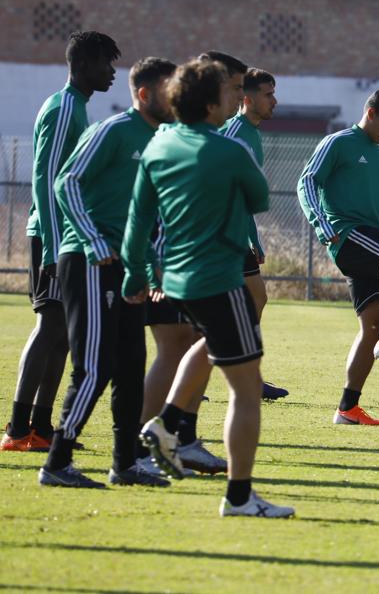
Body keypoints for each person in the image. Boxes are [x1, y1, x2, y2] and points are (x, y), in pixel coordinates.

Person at [127, 58, 293, 517]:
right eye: (228, 91)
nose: (234, 98)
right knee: (244, 387)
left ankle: (170, 423)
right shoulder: (229, 151)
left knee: (204, 348)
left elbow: (139, 218)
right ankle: (239, 497)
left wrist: (134, 274)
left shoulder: (159, 143)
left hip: (175, 280)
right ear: (209, 100)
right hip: (219, 279)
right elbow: (258, 198)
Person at [36, 57, 172, 489]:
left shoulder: (160, 141)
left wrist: (154, 264)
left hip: (127, 268)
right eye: (171, 91)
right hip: (91, 261)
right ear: (145, 94)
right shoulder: (113, 130)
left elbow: (148, 214)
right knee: (94, 367)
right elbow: (66, 182)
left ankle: (124, 464)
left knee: (133, 366)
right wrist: (92, 238)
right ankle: (56, 464)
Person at [133, 51, 248, 477]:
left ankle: (179, 438)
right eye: (235, 88)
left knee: (196, 345)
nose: (240, 97)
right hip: (174, 263)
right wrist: (146, 267)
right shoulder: (174, 136)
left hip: (190, 262)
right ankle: (143, 444)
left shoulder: (208, 136)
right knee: (175, 347)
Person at [3, 31, 118, 452]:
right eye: (107, 63)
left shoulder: (79, 107)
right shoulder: (64, 107)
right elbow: (45, 181)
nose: (112, 71)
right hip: (50, 237)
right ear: (85, 64)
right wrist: (53, 247)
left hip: (63, 237)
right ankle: (17, 428)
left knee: (64, 335)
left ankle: (41, 427)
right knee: (48, 327)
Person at [297, 89, 379, 425]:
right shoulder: (338, 142)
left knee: (370, 325)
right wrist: (322, 225)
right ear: (370, 113)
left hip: (366, 240)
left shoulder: (377, 153)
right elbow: (307, 181)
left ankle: (347, 408)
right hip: (348, 235)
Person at [221, 68, 290, 402]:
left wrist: (254, 238)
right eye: (268, 94)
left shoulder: (251, 132)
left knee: (254, 299)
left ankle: (249, 375)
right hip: (223, 233)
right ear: (247, 99)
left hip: (238, 232)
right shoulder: (235, 132)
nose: (274, 101)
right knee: (220, 308)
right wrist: (249, 238)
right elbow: (231, 189)